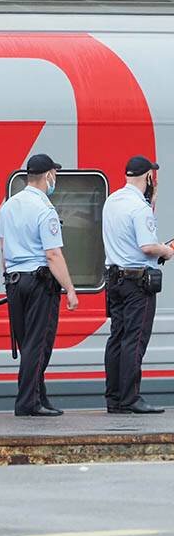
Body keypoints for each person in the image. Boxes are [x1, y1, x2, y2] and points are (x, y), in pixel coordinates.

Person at [0, 154, 79, 417]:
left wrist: (9, 277)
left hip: (14, 280)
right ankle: (28, 403)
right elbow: (53, 254)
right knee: (39, 343)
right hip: (39, 282)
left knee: (27, 343)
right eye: (54, 174)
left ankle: (39, 396)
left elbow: (2, 247)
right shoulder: (45, 210)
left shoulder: (8, 206)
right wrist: (70, 289)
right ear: (48, 176)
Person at [101, 155, 171, 414]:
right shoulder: (139, 208)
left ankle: (115, 398)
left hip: (114, 279)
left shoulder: (112, 201)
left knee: (117, 338)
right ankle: (131, 398)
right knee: (135, 339)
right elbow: (147, 246)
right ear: (149, 177)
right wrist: (166, 250)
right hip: (137, 284)